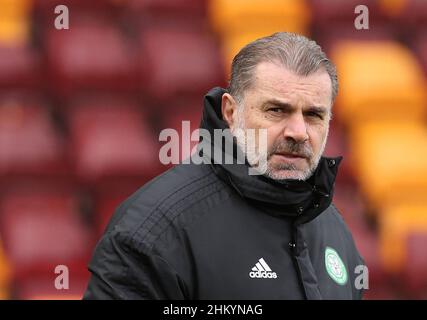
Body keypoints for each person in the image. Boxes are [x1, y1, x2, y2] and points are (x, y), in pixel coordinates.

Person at [84, 32, 365, 299]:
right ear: (231, 112)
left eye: (314, 114)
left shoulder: (333, 229)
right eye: (277, 110)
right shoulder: (153, 233)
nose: (298, 131)